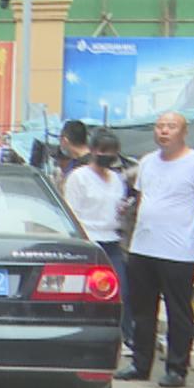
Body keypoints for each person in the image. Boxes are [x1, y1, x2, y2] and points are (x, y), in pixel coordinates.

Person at [114, 111, 194, 388]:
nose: (164, 131)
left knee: (178, 312)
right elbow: (142, 198)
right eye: (160, 126)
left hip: (178, 251)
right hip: (143, 248)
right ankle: (140, 364)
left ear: (183, 132)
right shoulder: (148, 162)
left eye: (171, 126)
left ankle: (177, 368)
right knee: (142, 310)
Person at [66, 129, 135, 351]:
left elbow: (118, 206)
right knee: (87, 292)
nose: (108, 156)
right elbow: (71, 211)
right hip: (88, 240)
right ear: (93, 150)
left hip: (112, 240)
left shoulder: (116, 179)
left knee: (121, 290)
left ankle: (124, 336)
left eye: (112, 152)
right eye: (104, 151)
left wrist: (123, 210)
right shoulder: (78, 177)